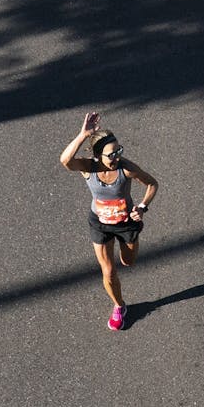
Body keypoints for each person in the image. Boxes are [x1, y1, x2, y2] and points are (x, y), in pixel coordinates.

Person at [59, 112, 160, 331]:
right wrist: (83, 134)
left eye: (118, 151)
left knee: (128, 262)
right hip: (100, 224)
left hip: (126, 224)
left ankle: (127, 255)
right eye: (111, 155)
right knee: (108, 270)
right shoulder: (88, 169)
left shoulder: (127, 169)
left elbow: (152, 184)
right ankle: (119, 306)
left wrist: (142, 207)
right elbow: (65, 160)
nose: (116, 157)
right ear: (97, 156)